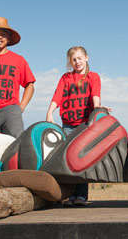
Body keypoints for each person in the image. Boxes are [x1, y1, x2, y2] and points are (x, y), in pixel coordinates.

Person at [45, 46, 102, 206]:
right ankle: (69, 195)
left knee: (81, 161)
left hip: (84, 124)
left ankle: (82, 196)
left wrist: (98, 111)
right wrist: (50, 113)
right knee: (66, 161)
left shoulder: (93, 77)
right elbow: (58, 96)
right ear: (71, 62)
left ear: (86, 58)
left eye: (79, 58)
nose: (77, 62)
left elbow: (95, 95)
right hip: (68, 125)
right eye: (74, 60)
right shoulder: (66, 78)